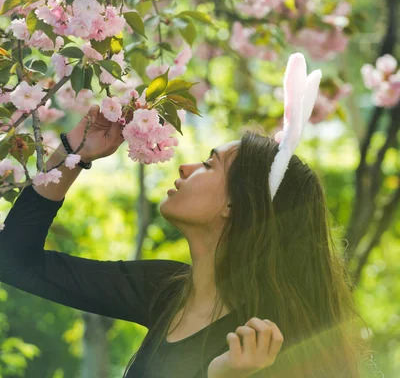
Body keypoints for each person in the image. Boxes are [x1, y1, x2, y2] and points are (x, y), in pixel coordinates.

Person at [0, 97, 368, 378]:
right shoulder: (165, 289)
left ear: (236, 205)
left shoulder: (265, 343)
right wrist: (73, 153)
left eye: (209, 165)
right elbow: (14, 261)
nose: (186, 167)